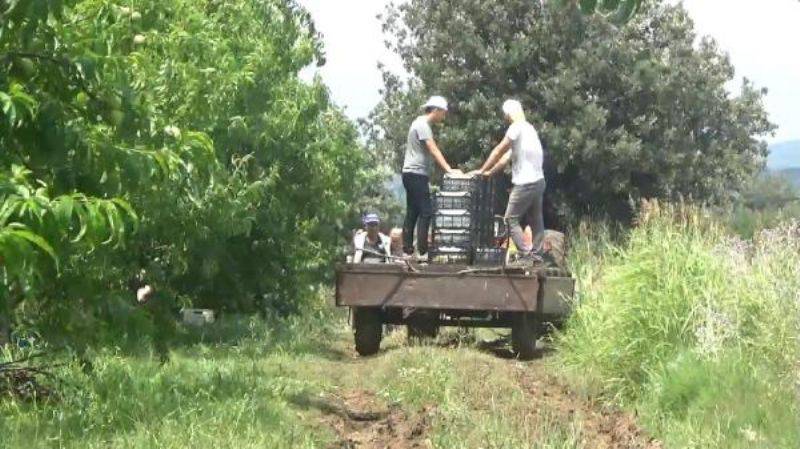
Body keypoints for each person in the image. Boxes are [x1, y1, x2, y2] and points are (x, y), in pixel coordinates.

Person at [474, 99, 546, 265]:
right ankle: (537, 255)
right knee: (536, 219)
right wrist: (489, 173)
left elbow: (500, 150)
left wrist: (481, 169)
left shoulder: (516, 127)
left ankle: (526, 254)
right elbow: (506, 159)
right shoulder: (529, 129)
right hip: (539, 181)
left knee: (510, 219)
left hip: (525, 182)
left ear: (508, 114)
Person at [402, 95, 460, 261]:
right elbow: (433, 149)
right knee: (426, 211)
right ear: (435, 110)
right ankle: (422, 251)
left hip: (411, 173)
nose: (444, 116)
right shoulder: (422, 125)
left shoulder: (419, 123)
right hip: (416, 174)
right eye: (443, 113)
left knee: (413, 211)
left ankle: (407, 250)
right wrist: (448, 169)